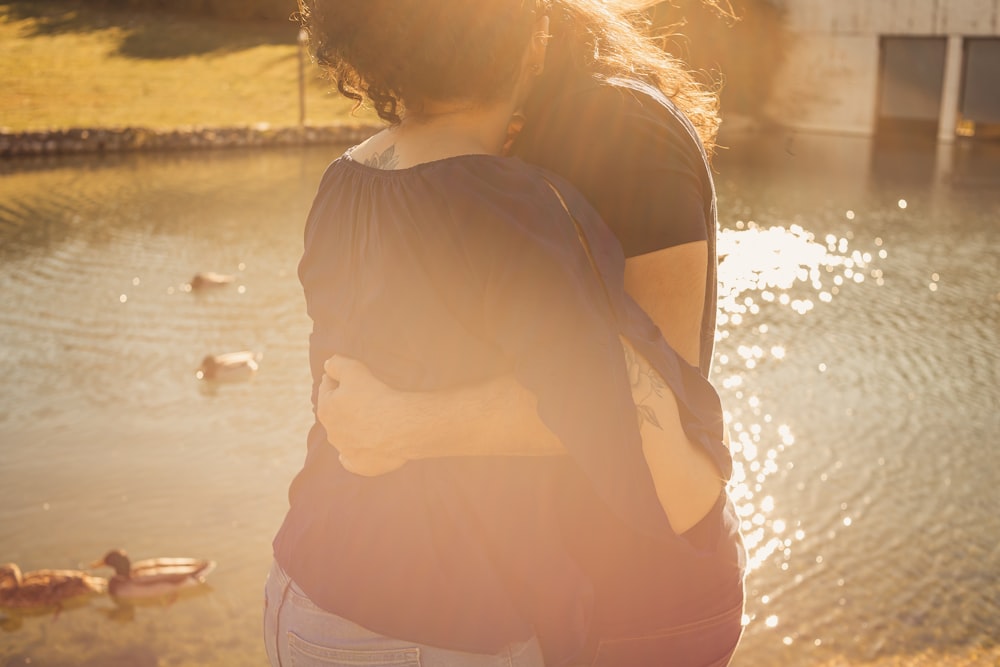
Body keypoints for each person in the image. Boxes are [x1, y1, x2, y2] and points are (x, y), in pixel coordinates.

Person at [266, 1, 740, 666]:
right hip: (429, 622)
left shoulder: (340, 180)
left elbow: (339, 379)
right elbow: (622, 417)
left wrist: (397, 420)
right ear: (534, 39)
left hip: (302, 587)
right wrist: (701, 513)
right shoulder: (521, 206)